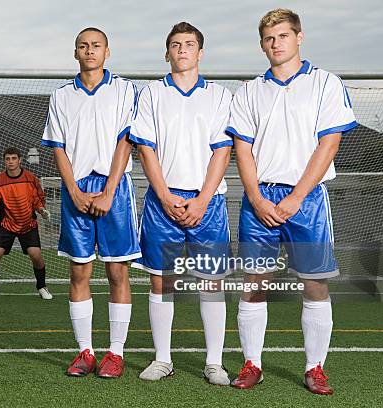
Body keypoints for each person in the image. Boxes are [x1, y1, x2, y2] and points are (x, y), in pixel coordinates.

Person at [226, 8, 357, 395]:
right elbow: (242, 147)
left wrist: (298, 196)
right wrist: (255, 197)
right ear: (261, 44)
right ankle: (252, 363)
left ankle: (315, 367)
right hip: (260, 198)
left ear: (299, 37)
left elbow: (329, 142)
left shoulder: (325, 84)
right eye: (268, 38)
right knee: (254, 282)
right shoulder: (250, 90)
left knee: (314, 283)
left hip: (308, 199)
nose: (275, 43)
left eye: (283, 35)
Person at [129, 22, 233, 384]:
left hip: (208, 203)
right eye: (176, 44)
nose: (182, 50)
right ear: (167, 52)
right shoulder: (152, 93)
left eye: (189, 44)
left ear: (200, 52)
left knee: (211, 283)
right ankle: (162, 359)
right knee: (162, 282)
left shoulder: (220, 95)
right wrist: (164, 195)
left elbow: (224, 149)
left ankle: (214, 362)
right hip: (163, 201)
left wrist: (203, 200)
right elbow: (146, 148)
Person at [41, 27, 140, 378]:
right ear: (75, 53)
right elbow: (58, 148)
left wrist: (110, 190)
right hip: (77, 190)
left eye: (96, 45)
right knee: (79, 270)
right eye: (83, 46)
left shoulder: (126, 89)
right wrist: (74, 191)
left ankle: (115, 353)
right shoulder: (62, 95)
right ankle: (85, 351)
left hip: (115, 188)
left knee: (117, 271)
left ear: (107, 51)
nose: (90, 51)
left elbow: (127, 141)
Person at [0, 147, 52, 300]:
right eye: (7, 159)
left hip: (28, 225)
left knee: (36, 255)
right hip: (6, 224)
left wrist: (42, 211)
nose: (10, 162)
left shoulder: (31, 178)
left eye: (14, 158)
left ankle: (42, 287)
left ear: (20, 160)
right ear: (4, 161)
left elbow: (37, 200)